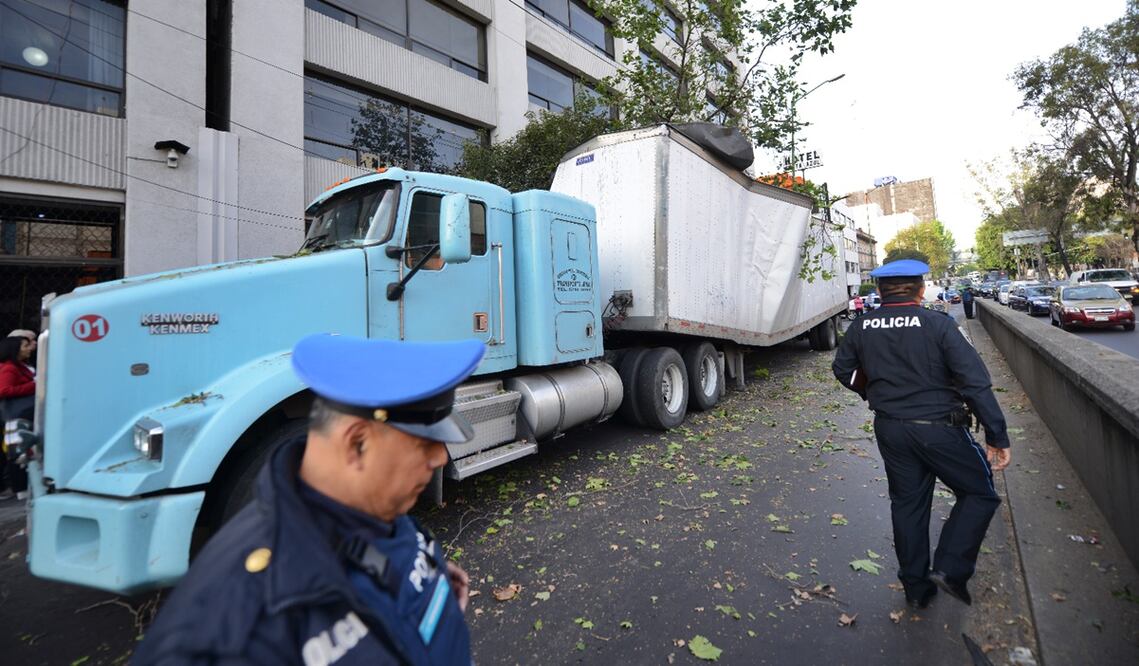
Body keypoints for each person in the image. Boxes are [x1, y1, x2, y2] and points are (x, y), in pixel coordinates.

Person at [133, 334, 486, 665]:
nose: (441, 458)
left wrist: (432, 596)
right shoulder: (234, 633)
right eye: (424, 443)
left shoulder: (372, 506)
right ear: (356, 444)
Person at [831, 259, 1011, 610]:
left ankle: (916, 589)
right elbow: (975, 382)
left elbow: (843, 370)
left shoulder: (862, 326)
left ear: (881, 292)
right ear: (920, 289)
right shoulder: (938, 324)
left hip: (891, 429)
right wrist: (997, 435)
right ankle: (950, 568)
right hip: (939, 428)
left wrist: (872, 392)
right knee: (979, 493)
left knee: (908, 505)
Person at [0, 334, 35, 500]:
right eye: (25, 345)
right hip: (17, 415)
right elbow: (4, 390)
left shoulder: (21, 366)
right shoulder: (10, 368)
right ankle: (20, 488)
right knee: (18, 452)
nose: (29, 348)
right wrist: (34, 385)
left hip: (25, 414)